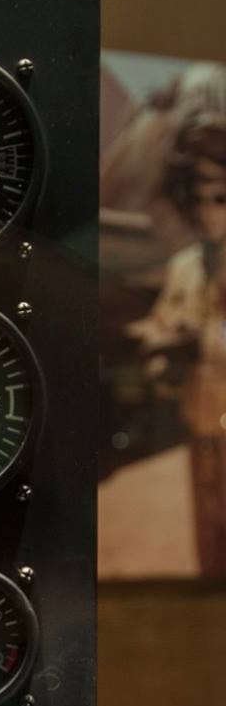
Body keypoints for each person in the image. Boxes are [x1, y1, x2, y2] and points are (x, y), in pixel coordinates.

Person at [127, 116, 226, 574]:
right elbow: (162, 323)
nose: (208, 212)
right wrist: (152, 344)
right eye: (198, 199)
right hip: (200, 419)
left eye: (220, 198)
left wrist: (200, 339)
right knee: (208, 534)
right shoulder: (185, 265)